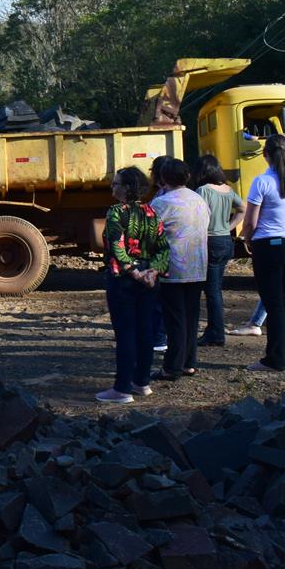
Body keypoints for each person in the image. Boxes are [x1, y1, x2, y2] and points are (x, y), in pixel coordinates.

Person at [97, 168, 169, 405]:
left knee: (126, 333)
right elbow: (163, 247)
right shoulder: (152, 211)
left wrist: (134, 272)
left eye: (116, 183)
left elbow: (116, 246)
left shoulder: (116, 212)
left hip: (124, 279)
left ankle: (122, 388)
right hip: (149, 278)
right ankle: (142, 382)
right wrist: (153, 271)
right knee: (145, 330)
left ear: (127, 187)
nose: (113, 187)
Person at [243, 135, 285, 372]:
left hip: (269, 244)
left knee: (274, 303)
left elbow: (250, 221)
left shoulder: (261, 181)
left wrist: (247, 239)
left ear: (265, 155)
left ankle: (274, 359)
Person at [149, 157, 210, 382]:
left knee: (174, 319)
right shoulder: (199, 199)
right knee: (191, 317)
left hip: (173, 267)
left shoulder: (161, 203)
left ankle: (172, 367)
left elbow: (149, 235)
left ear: (163, 178)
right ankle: (189, 363)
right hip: (198, 265)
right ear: (187, 176)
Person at [193, 155, 243, 347]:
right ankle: (214, 330)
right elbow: (243, 208)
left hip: (210, 240)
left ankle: (216, 332)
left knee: (211, 291)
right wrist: (229, 227)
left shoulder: (203, 190)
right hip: (225, 241)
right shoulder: (228, 190)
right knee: (216, 288)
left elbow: (197, 216)